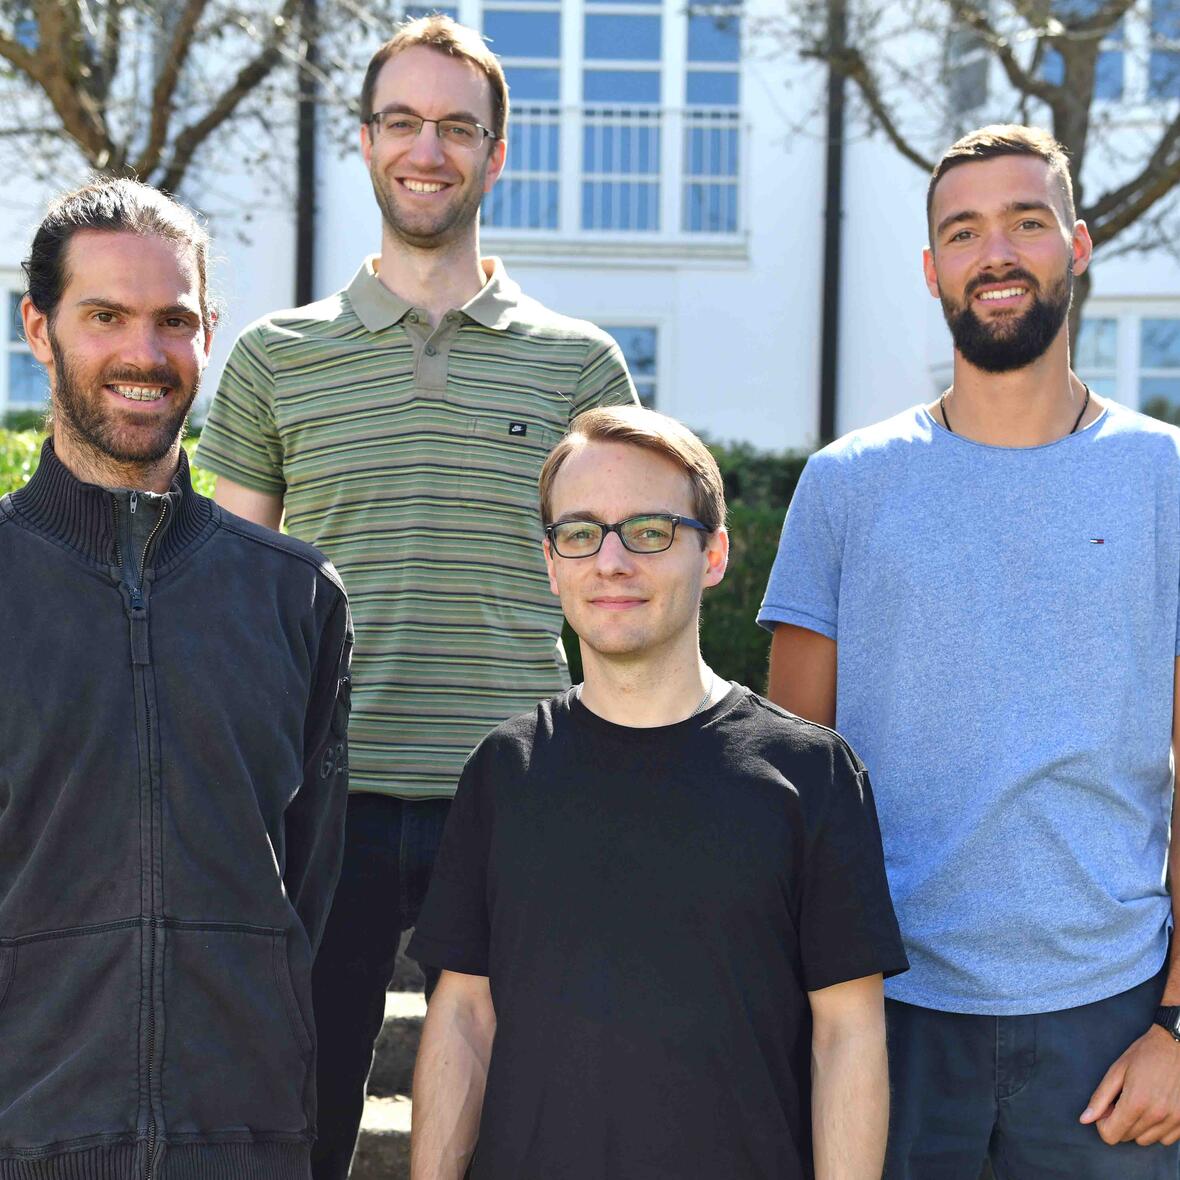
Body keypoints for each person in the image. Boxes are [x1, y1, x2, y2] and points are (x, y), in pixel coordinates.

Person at [194, 15, 636, 1175]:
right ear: (365, 140)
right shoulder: (274, 358)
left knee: (514, 1120)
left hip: (517, 791)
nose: (426, 148)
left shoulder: (582, 363)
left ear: (497, 154)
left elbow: (616, 588)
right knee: (302, 1110)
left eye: (455, 126)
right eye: (402, 121)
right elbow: (234, 606)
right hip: (320, 800)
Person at [759, 123, 1180, 1178]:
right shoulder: (845, 487)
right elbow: (785, 786)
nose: (995, 253)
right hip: (881, 1016)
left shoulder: (1166, 480)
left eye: (1025, 223)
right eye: (963, 231)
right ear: (931, 267)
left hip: (1114, 1019)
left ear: (1076, 246)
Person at [407, 405, 907, 1180]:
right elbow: (464, 1017)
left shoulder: (811, 774)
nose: (611, 562)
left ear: (713, 556)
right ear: (551, 563)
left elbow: (848, 1035)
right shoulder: (505, 771)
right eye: (580, 533)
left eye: (649, 530)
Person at [0, 178, 352, 1179]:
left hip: (245, 1145)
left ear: (208, 335)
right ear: (39, 326)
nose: (144, 355)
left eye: (174, 320)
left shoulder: (296, 596)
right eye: (104, 316)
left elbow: (310, 887)